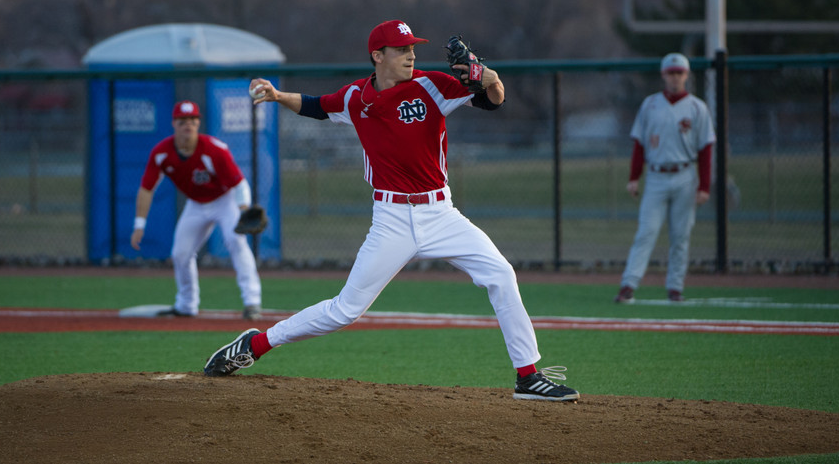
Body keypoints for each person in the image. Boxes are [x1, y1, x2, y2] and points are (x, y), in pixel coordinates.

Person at [203, 20, 579, 402]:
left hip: (441, 214)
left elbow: (494, 99)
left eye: (412, 48)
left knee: (501, 274)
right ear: (378, 56)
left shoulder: (432, 86)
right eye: (402, 49)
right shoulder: (356, 98)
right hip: (391, 219)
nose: (411, 55)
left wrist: (489, 77)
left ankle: (528, 377)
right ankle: (256, 345)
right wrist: (279, 94)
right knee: (344, 311)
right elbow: (318, 106)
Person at [132, 100, 263, 320]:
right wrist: (139, 225)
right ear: (174, 124)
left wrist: (243, 210)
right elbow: (146, 189)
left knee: (236, 241)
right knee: (180, 254)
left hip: (224, 201)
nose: (188, 125)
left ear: (198, 123)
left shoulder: (213, 149)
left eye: (193, 120)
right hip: (196, 204)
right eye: (183, 121)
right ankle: (186, 305)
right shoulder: (162, 153)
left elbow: (239, 184)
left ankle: (252, 303)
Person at [614, 52, 715, 304]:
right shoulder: (650, 104)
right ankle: (629, 284)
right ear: (663, 74)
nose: (675, 77)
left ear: (687, 75)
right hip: (657, 175)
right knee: (646, 231)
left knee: (681, 235)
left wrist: (704, 185)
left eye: (679, 72)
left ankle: (675, 287)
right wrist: (634, 177)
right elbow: (639, 143)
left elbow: (705, 149)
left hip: (684, 174)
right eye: (671, 72)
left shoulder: (697, 107)